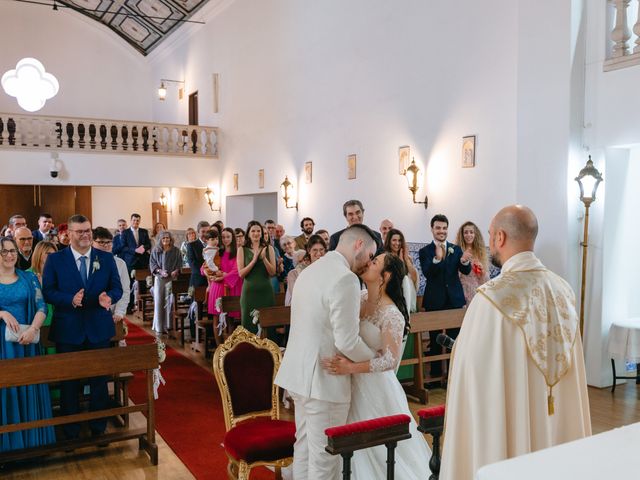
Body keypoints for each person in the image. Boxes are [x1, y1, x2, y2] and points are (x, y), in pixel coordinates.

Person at [440, 205, 591, 480]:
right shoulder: (563, 289)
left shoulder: (490, 298)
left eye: (489, 234)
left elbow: (471, 371)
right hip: (556, 416)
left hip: (510, 423)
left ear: (499, 237)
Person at [275, 224, 378, 479]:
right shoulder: (345, 279)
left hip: (299, 375)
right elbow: (347, 341)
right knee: (325, 459)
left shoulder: (311, 270)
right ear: (358, 245)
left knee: (304, 450)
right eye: (370, 255)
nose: (369, 262)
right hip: (324, 380)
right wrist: (375, 359)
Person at [322, 253, 431, 479]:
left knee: (378, 449)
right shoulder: (359, 297)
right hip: (346, 383)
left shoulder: (392, 315)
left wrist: (350, 367)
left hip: (375, 389)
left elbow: (390, 361)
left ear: (385, 276)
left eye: (375, 263)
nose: (368, 263)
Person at [42, 214, 123, 440]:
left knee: (99, 381)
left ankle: (99, 428)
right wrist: (69, 299)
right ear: (69, 235)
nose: (86, 235)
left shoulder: (105, 258)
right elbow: (48, 291)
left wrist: (109, 297)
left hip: (98, 328)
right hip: (68, 329)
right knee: (70, 382)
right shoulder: (56, 260)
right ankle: (71, 430)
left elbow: (117, 288)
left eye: (88, 230)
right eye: (80, 231)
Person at [0, 236, 56, 451]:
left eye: (12, 250)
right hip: (3, 347)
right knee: (8, 390)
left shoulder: (28, 278)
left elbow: (42, 307)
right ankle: (8, 445)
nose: (10, 255)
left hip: (27, 342)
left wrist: (33, 330)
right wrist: (2, 313)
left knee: (29, 386)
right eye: (4, 251)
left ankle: (34, 442)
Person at [418, 214, 472, 379]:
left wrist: (463, 261)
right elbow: (428, 273)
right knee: (435, 341)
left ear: (447, 229)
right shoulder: (425, 251)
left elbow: (466, 271)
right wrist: (437, 259)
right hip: (435, 300)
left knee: (454, 341)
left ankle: (452, 377)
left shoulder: (456, 249)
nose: (441, 231)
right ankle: (434, 377)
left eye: (444, 228)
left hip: (454, 300)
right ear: (432, 229)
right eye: (438, 228)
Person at [237, 221, 276, 335]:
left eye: (258, 231)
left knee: (268, 327)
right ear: (248, 234)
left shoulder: (269, 248)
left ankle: (269, 352)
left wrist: (264, 259)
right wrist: (254, 260)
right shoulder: (242, 249)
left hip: (266, 292)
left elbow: (272, 272)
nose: (256, 233)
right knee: (249, 327)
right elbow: (241, 274)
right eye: (253, 231)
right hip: (249, 294)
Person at [203, 227, 242, 334]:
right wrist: (206, 272)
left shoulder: (238, 252)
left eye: (228, 237)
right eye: (223, 237)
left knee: (229, 319)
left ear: (232, 238)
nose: (225, 239)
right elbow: (204, 265)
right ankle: (218, 348)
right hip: (216, 286)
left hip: (230, 287)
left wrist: (223, 275)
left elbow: (236, 270)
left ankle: (228, 348)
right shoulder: (217, 251)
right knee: (216, 317)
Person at [92, 227, 130, 329]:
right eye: (101, 242)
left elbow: (125, 290)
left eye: (109, 242)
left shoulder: (120, 263)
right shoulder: (86, 262)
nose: (106, 245)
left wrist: (119, 312)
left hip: (113, 314)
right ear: (92, 243)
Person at [27, 240, 58, 354]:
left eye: (54, 254)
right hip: (34, 322)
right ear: (39, 254)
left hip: (54, 322)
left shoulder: (57, 275)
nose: (52, 257)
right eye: (48, 254)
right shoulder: (27, 275)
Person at [149, 230, 182, 335]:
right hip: (160, 280)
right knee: (159, 302)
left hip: (172, 279)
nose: (165, 240)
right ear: (160, 240)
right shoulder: (156, 250)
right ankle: (159, 326)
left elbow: (180, 264)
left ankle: (169, 326)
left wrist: (176, 270)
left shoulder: (176, 251)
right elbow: (152, 264)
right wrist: (160, 271)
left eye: (167, 238)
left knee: (170, 302)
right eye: (163, 238)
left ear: (171, 239)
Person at [119, 213, 151, 312]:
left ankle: (142, 307)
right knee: (129, 284)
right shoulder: (125, 232)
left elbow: (148, 244)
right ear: (131, 221)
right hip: (130, 261)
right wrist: (134, 250)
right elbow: (123, 247)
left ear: (139, 221)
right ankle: (129, 307)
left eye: (137, 220)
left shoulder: (144, 232)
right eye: (134, 220)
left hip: (142, 261)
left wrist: (143, 248)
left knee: (142, 284)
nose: (136, 222)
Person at [285, 234, 327, 306]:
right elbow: (298, 297)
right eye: (315, 250)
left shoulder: (328, 269)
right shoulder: (295, 273)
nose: (319, 253)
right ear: (309, 251)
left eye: (321, 249)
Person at [455, 221, 490, 304]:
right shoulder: (457, 251)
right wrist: (462, 261)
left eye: (471, 232)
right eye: (465, 232)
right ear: (462, 235)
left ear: (475, 234)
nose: (469, 235)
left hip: (478, 292)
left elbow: (486, 280)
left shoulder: (480, 253)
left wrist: (482, 272)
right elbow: (454, 275)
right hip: (462, 292)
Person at [384, 228, 418, 312]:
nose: (397, 243)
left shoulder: (407, 257)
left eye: (399, 240)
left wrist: (406, 259)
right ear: (389, 241)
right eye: (394, 240)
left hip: (408, 295)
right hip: (393, 297)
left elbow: (414, 278)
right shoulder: (385, 258)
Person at [185, 221, 210, 289]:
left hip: (212, 281)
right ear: (198, 232)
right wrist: (207, 273)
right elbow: (192, 264)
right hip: (198, 281)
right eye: (203, 231)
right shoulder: (191, 245)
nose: (205, 234)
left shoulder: (214, 245)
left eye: (207, 231)